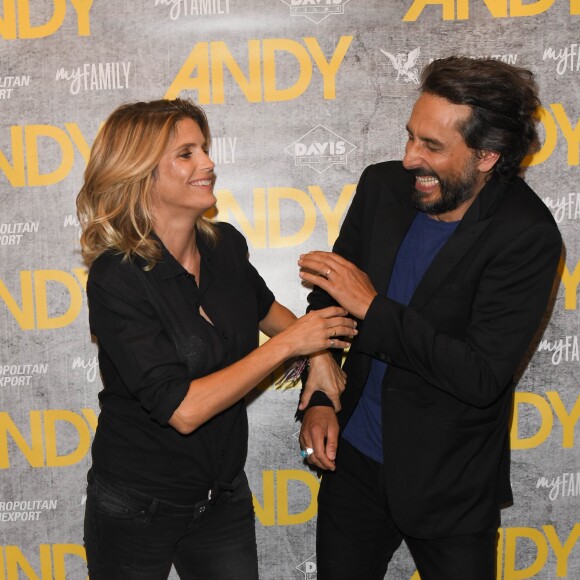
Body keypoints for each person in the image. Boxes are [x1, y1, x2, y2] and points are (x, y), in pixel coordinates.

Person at [297, 57, 562, 580]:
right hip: (354, 464)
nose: (408, 157)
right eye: (411, 136)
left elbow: (481, 376)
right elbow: (327, 306)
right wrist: (322, 393)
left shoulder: (525, 236)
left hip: (450, 485)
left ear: (487, 156)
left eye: (432, 147)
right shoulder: (382, 189)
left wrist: (373, 308)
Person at [76, 98, 357, 580]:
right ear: (141, 173)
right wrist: (292, 347)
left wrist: (322, 358)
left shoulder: (224, 245)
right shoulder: (116, 277)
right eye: (186, 154)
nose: (208, 163)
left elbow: (272, 316)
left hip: (221, 495)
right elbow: (182, 410)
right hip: (136, 504)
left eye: (203, 149)